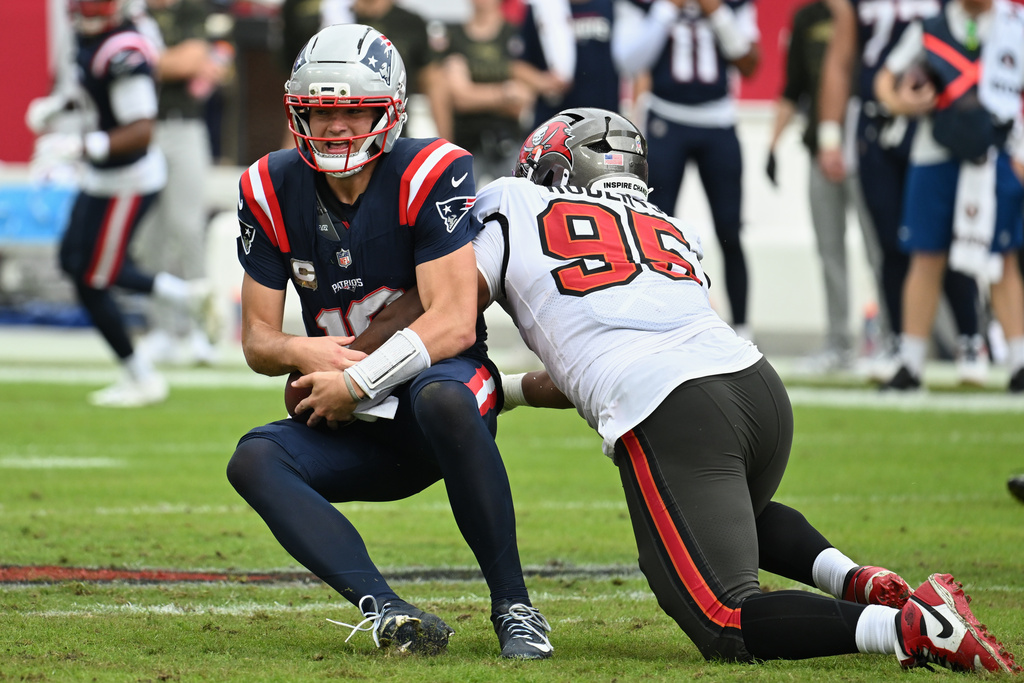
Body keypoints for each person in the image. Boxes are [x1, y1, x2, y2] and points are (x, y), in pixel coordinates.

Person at [470, 107, 1019, 672]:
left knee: (724, 617)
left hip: (675, 409)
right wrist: (509, 391)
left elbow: (454, 304)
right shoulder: (668, 225)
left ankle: (913, 628)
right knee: (730, 514)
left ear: (554, 168)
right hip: (756, 389)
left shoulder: (512, 200)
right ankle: (853, 577)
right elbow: (610, 350)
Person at [224, 24, 552, 659]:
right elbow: (258, 341)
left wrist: (356, 378)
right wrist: (304, 352)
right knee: (255, 459)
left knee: (445, 399)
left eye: (357, 112)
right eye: (323, 112)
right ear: (302, 112)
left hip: (441, 397)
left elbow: (454, 320)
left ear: (391, 111)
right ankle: (388, 612)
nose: (337, 129)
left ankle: (515, 607)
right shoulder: (269, 186)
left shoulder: (430, 171)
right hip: (359, 426)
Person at [28, 0, 210, 407]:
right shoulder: (91, 37)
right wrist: (58, 108)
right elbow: (93, 93)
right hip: (103, 176)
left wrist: (79, 145)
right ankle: (183, 297)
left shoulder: (125, 49)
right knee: (74, 262)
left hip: (127, 180)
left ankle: (143, 372)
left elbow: (141, 130)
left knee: (93, 276)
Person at [817, 0, 989, 385]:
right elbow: (843, 56)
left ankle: (971, 336)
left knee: (949, 232)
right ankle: (898, 340)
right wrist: (830, 133)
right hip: (877, 121)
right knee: (892, 239)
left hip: (940, 120)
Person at [872, 0, 1024, 392]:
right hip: (935, 149)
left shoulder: (1013, 25)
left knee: (1002, 258)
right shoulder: (930, 27)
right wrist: (901, 102)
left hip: (995, 152)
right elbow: (885, 79)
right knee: (926, 255)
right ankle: (911, 362)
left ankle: (1019, 360)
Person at [612, 0, 759, 340]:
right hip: (666, 118)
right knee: (654, 229)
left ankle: (743, 330)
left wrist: (716, 13)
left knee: (730, 230)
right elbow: (628, 60)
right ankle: (656, 322)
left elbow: (749, 62)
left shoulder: (733, 5)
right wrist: (665, 10)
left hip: (718, 120)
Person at [769, 0, 883, 373]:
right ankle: (838, 342)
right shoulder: (807, 18)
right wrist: (772, 144)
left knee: (878, 250)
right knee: (830, 250)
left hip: (868, 149)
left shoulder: (868, 13)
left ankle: (887, 337)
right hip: (821, 149)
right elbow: (793, 87)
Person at [132, 0, 231, 367]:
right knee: (146, 236)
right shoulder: (134, 11)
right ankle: (160, 330)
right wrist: (169, 62)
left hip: (182, 125)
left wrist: (140, 61)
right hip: (138, 129)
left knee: (187, 227)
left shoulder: (191, 10)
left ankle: (201, 332)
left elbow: (192, 62)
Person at [278, 0, 452, 142]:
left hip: (389, 138)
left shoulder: (411, 24)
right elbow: (302, 97)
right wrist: (292, 150)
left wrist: (446, 146)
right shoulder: (328, 18)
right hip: (329, 139)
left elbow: (434, 86)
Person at [436, 0, 533, 187]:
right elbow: (459, 98)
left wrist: (474, 93)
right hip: (465, 143)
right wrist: (504, 92)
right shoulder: (453, 36)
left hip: (509, 142)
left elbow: (521, 101)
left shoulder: (516, 34)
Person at [511, 0, 620, 129]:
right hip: (554, 121)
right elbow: (516, 64)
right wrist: (542, 82)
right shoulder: (542, 8)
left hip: (603, 119)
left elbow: (633, 63)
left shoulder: (612, 6)